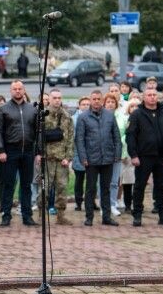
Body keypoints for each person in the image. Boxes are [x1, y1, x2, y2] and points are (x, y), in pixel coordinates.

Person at [125, 87, 163, 227]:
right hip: (144, 157)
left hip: (162, 157)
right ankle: (137, 215)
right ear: (144, 98)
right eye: (149, 95)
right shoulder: (137, 114)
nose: (152, 97)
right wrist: (134, 155)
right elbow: (130, 136)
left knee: (161, 187)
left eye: (155, 95)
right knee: (140, 186)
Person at [75, 90, 121, 226]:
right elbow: (79, 139)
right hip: (91, 159)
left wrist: (117, 155)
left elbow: (116, 137)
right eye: (93, 99)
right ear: (90, 100)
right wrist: (83, 157)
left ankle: (106, 217)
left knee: (106, 188)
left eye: (98, 99)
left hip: (107, 158)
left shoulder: (110, 116)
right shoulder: (83, 117)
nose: (96, 101)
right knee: (90, 189)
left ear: (102, 100)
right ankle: (89, 217)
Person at [0, 81, 38, 227]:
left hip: (28, 151)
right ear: (10, 91)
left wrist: (38, 152)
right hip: (10, 151)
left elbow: (37, 132)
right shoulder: (3, 109)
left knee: (26, 185)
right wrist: (1, 150)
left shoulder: (32, 109)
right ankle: (6, 215)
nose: (17, 91)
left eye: (20, 89)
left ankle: (27, 216)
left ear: (24, 90)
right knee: (8, 184)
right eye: (15, 89)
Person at [41, 88, 74, 225]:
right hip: (47, 158)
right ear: (49, 99)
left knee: (62, 187)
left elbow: (70, 138)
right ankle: (42, 215)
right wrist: (39, 155)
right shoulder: (43, 115)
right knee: (45, 188)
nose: (57, 100)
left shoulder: (66, 116)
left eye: (59, 98)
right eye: (54, 98)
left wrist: (68, 157)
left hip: (61, 159)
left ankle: (61, 215)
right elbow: (38, 137)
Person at [103, 93, 123, 217]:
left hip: (118, 152)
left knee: (115, 181)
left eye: (112, 102)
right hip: (103, 154)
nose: (110, 104)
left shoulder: (122, 116)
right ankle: (104, 204)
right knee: (104, 181)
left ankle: (113, 204)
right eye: (108, 102)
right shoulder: (101, 116)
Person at [120, 99, 141, 214]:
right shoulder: (124, 119)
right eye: (131, 106)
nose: (134, 108)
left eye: (136, 106)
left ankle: (138, 204)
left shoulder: (143, 118)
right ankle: (128, 204)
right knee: (127, 181)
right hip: (127, 153)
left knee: (138, 181)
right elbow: (123, 136)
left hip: (141, 152)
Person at [71, 96, 91, 212]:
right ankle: (78, 202)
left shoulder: (93, 117)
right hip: (78, 154)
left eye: (88, 104)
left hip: (92, 154)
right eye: (83, 104)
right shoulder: (73, 119)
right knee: (79, 179)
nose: (86, 106)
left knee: (91, 180)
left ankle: (91, 202)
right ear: (79, 105)